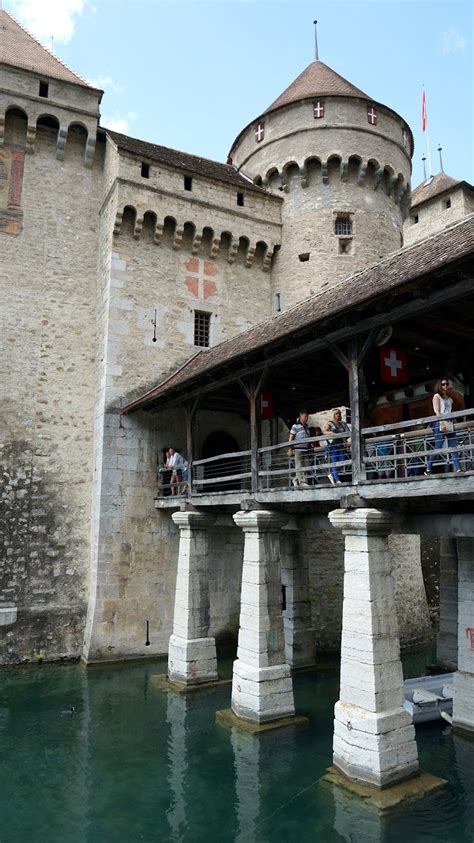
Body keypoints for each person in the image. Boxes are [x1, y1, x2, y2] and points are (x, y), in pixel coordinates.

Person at [424, 377, 462, 476]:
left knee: (453, 446)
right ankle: (428, 468)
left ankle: (458, 468)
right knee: (438, 447)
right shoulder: (437, 396)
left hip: (449, 421)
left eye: (446, 384)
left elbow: (450, 411)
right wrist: (441, 422)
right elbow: (437, 411)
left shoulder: (449, 398)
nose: (445, 386)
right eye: (443, 384)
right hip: (440, 422)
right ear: (439, 386)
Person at [323, 409, 351, 486]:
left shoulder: (343, 424)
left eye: (339, 413)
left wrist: (345, 440)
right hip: (333, 446)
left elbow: (348, 433)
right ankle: (337, 480)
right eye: (336, 414)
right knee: (335, 463)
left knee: (342, 461)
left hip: (341, 445)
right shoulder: (330, 423)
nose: (338, 415)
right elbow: (324, 431)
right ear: (333, 415)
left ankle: (332, 474)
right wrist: (332, 433)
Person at [288, 410, 311, 487]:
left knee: (306, 466)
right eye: (305, 416)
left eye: (307, 416)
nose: (306, 418)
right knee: (299, 465)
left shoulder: (306, 426)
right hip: (298, 449)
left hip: (306, 449)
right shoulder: (295, 426)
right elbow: (291, 437)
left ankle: (295, 479)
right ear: (300, 417)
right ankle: (302, 482)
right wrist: (290, 448)